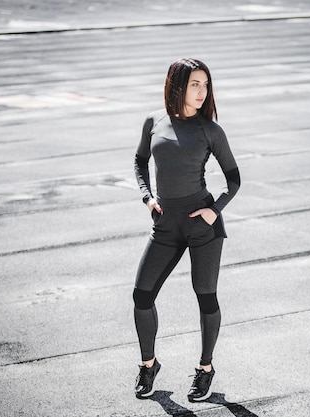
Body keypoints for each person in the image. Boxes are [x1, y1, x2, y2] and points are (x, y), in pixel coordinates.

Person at [132, 58, 240, 402]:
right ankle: (149, 365)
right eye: (195, 84)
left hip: (201, 226)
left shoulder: (210, 130)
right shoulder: (154, 122)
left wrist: (214, 210)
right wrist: (148, 197)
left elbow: (234, 179)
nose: (201, 91)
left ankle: (205, 369)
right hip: (165, 224)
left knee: (205, 296)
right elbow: (139, 161)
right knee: (142, 295)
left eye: (205, 85)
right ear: (177, 84)